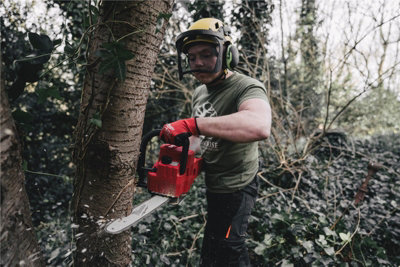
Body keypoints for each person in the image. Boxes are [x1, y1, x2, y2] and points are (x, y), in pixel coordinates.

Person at [160, 18, 271, 266]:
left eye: (206, 55)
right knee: (212, 246)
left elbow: (259, 125)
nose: (197, 63)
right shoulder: (200, 91)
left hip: (238, 185)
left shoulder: (247, 87)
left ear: (228, 54)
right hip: (215, 184)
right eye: (192, 57)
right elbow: (199, 139)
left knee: (231, 246)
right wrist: (179, 159)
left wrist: (193, 124)